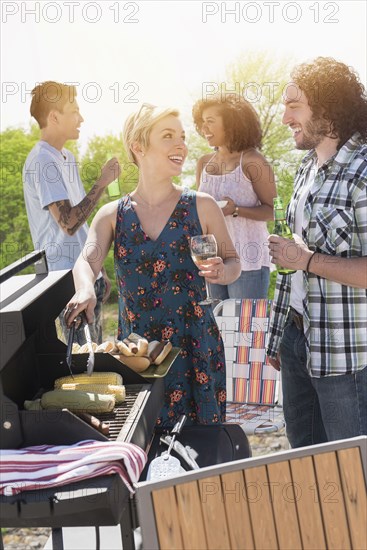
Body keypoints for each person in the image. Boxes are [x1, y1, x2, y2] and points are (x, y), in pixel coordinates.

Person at [64, 104, 241, 427]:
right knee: (143, 448)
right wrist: (86, 289)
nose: (182, 146)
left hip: (196, 347)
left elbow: (233, 262)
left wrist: (222, 271)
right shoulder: (111, 215)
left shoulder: (202, 205)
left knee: (201, 453)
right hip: (138, 355)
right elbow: (85, 262)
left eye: (183, 137)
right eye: (168, 136)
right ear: (138, 146)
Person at [266, 57, 367, 447]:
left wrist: (306, 260)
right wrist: (280, 336)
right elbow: (291, 262)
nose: (284, 117)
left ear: (325, 109)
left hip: (346, 357)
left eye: (294, 106)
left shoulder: (362, 171)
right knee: (306, 465)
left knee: (353, 473)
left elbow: (301, 259)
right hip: (296, 339)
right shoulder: (306, 169)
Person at [23, 81, 120, 344]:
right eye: (74, 111)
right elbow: (68, 223)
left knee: (97, 355)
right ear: (54, 116)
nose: (81, 118)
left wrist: (98, 267)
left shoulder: (66, 157)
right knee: (84, 363)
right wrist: (102, 183)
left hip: (86, 272)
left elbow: (81, 222)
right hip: (66, 280)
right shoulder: (43, 161)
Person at [192, 93, 277, 300]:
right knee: (217, 329)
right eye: (202, 122)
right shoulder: (204, 163)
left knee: (245, 329)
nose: (204, 129)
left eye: (210, 122)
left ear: (231, 123)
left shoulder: (252, 161)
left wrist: (236, 210)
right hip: (212, 261)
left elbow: (273, 210)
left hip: (249, 259)